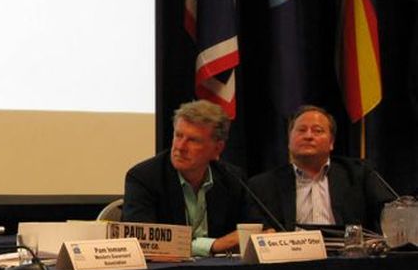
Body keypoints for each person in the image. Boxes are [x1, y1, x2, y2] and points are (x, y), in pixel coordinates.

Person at [123, 100, 246, 256]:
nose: (180, 147)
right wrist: (213, 245)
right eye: (178, 135)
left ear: (217, 148)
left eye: (193, 140)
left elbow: (254, 230)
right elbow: (144, 242)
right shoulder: (144, 178)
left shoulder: (232, 178)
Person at [246, 105, 394, 231]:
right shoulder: (263, 186)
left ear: (331, 142)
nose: (308, 136)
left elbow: (392, 211)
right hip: (291, 262)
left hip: (346, 260)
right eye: (301, 130)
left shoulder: (359, 175)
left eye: (317, 130)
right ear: (289, 141)